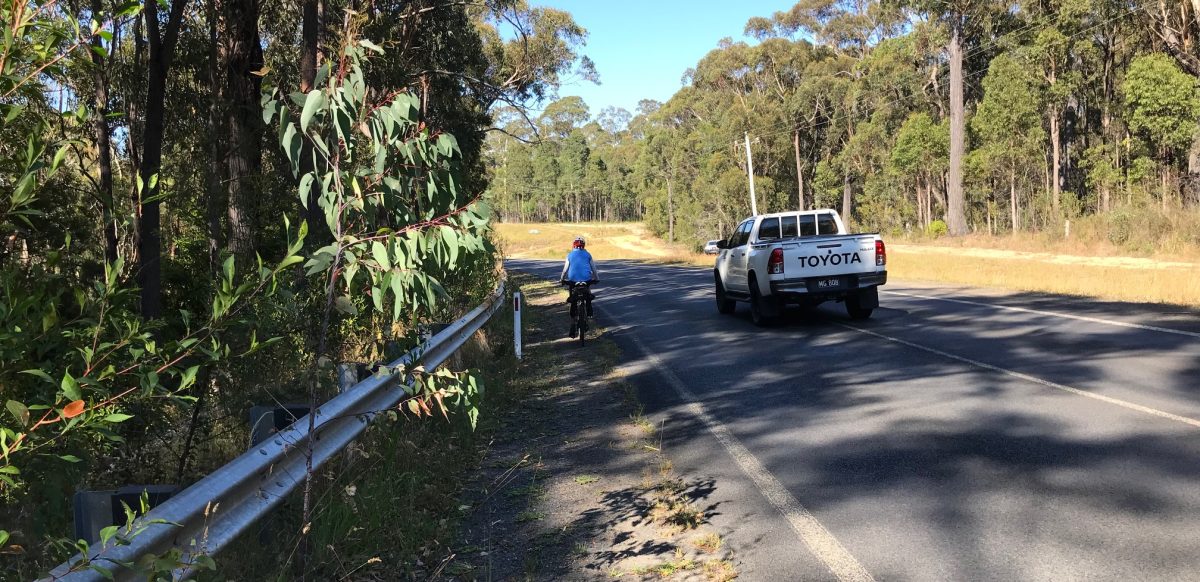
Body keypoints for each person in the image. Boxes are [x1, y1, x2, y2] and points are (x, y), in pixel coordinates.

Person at [560, 236, 598, 337]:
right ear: (583, 246)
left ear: (573, 245)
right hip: (586, 280)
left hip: (573, 281)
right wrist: (597, 278)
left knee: (573, 299)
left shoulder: (570, 255)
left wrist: (562, 279)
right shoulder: (588, 254)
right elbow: (594, 269)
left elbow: (565, 270)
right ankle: (589, 312)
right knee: (588, 293)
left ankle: (573, 324)